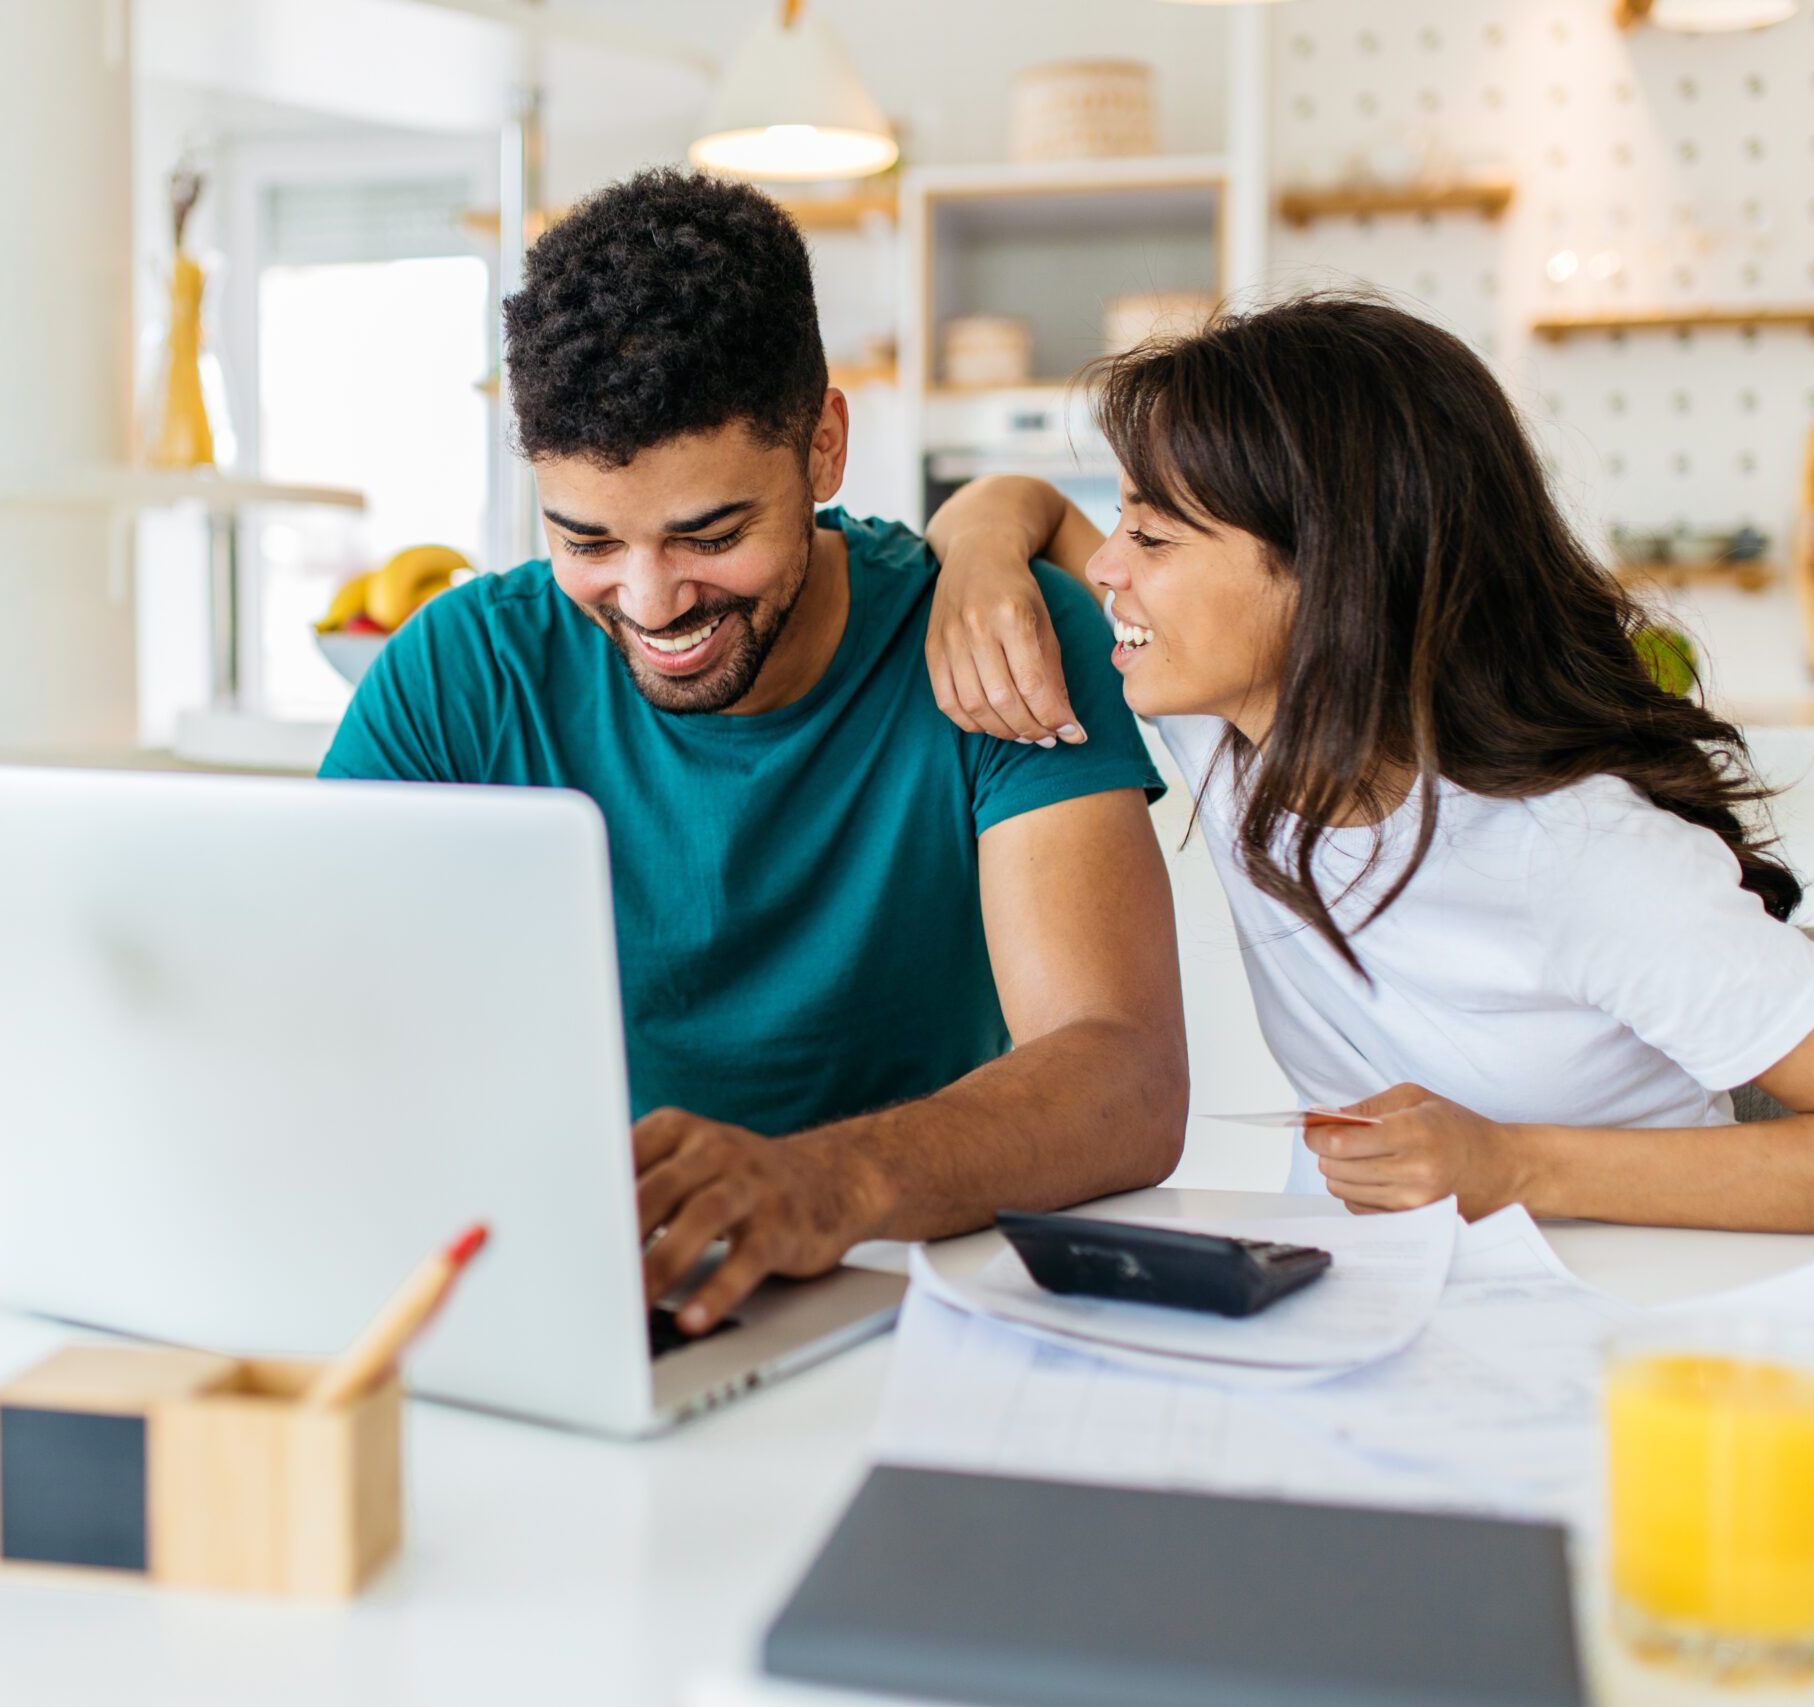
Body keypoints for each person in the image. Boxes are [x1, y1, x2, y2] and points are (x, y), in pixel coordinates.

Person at [922, 293, 1814, 1233]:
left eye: (1153, 539)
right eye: (1122, 522)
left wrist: (1511, 1164)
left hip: (1614, 1318)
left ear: (1332, 578)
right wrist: (974, 551)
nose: (1105, 567)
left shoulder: (1579, 851)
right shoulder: (1229, 727)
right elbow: (1021, 505)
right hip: (1381, 1306)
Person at [319, 168, 1189, 1333]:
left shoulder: (998, 639)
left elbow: (1123, 1077)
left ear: (823, 448)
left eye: (710, 535)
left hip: (901, 1299)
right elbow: (317, 1020)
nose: (650, 601)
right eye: (585, 540)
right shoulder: (458, 674)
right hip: (556, 1295)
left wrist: (819, 1185)